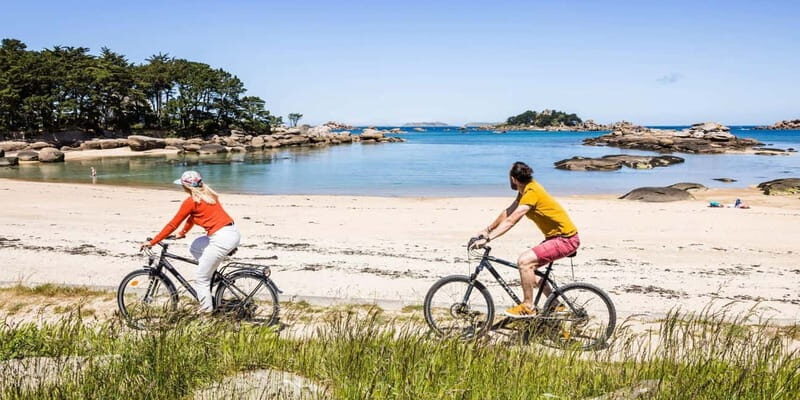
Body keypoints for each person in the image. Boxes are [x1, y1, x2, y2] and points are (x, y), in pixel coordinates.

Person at [469, 161, 579, 318]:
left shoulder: (532, 192)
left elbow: (512, 220)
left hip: (565, 239)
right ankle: (555, 306)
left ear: (513, 179)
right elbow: (508, 212)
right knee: (531, 274)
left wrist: (488, 239)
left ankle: (528, 306)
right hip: (557, 238)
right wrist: (487, 230)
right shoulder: (526, 189)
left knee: (524, 262)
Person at [141, 171, 240, 313]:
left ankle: (207, 315)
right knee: (195, 246)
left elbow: (172, 224)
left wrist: (153, 242)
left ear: (186, 187)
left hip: (221, 239)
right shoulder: (208, 196)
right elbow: (192, 218)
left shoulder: (191, 201)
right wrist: (182, 233)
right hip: (231, 233)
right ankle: (212, 273)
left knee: (201, 279)